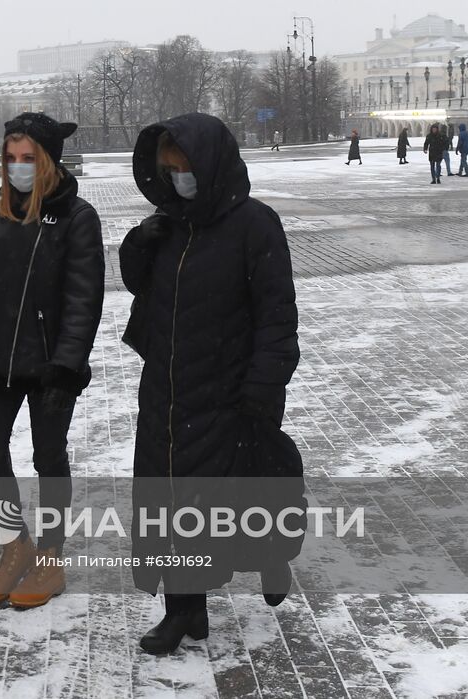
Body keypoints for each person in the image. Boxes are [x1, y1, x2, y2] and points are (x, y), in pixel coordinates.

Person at [119, 113, 301, 654]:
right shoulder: (169, 223)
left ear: (211, 164)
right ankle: (183, 608)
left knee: (242, 492)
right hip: (168, 391)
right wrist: (139, 241)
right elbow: (138, 284)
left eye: (185, 168)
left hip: (232, 391)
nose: (178, 179)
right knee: (171, 499)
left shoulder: (255, 225)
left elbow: (277, 316)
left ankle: (270, 555)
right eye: (168, 170)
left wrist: (263, 388)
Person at [0, 112, 104, 610]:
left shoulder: (77, 217)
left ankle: (51, 556)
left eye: (28, 159)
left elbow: (84, 301)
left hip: (49, 366)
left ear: (48, 161)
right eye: (11, 159)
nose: (18, 168)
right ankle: (14, 547)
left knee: (48, 458)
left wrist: (66, 365)